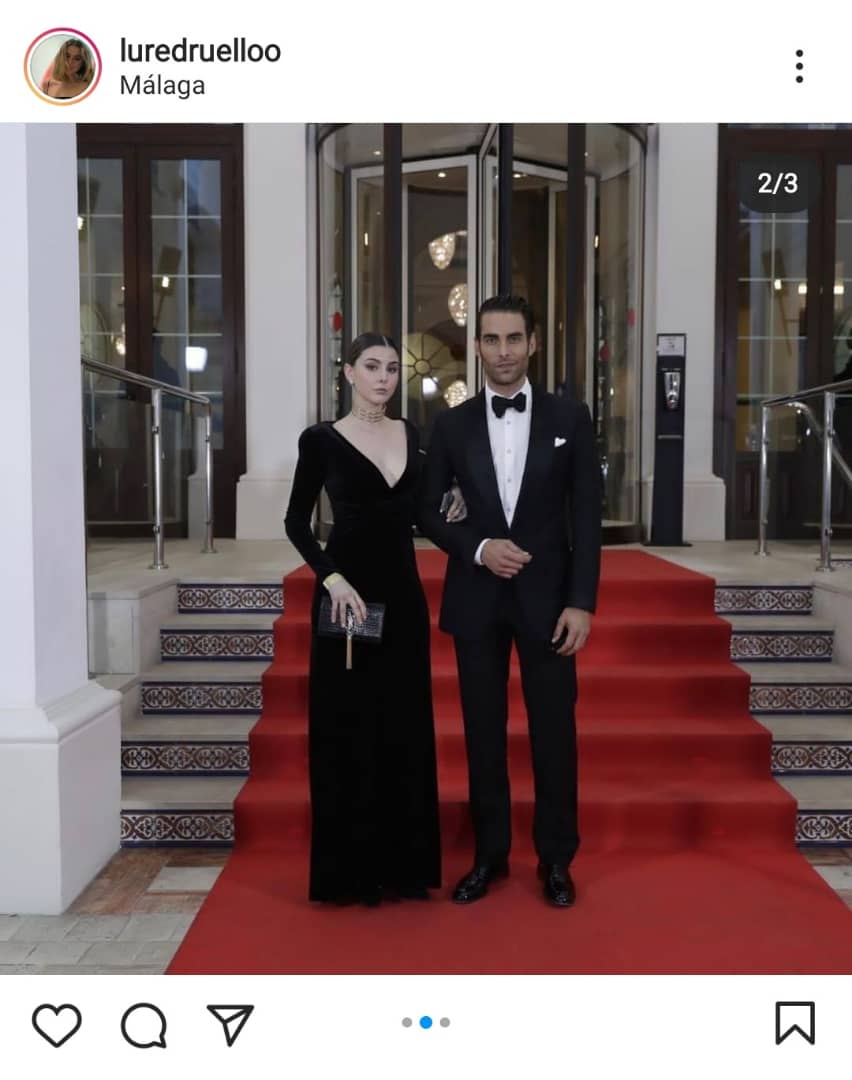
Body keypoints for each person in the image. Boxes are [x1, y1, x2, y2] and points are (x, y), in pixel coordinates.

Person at [418, 295, 602, 908]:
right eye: (491, 340)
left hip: (550, 603)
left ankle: (555, 859)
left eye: (514, 339)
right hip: (477, 599)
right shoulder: (451, 423)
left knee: (555, 733)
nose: (503, 351)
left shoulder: (571, 418)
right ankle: (490, 856)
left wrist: (581, 602)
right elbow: (427, 510)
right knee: (482, 734)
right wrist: (477, 548)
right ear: (477, 347)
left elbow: (587, 517)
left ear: (534, 343)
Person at [284, 332, 460, 906]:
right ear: (348, 372)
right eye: (372, 367)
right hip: (348, 597)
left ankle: (404, 866)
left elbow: (426, 505)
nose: (384, 378)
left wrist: (453, 498)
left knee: (403, 723)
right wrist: (331, 579)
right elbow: (296, 523)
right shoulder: (321, 441)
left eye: (391, 369)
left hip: (403, 597)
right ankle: (350, 872)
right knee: (348, 725)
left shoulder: (411, 434)